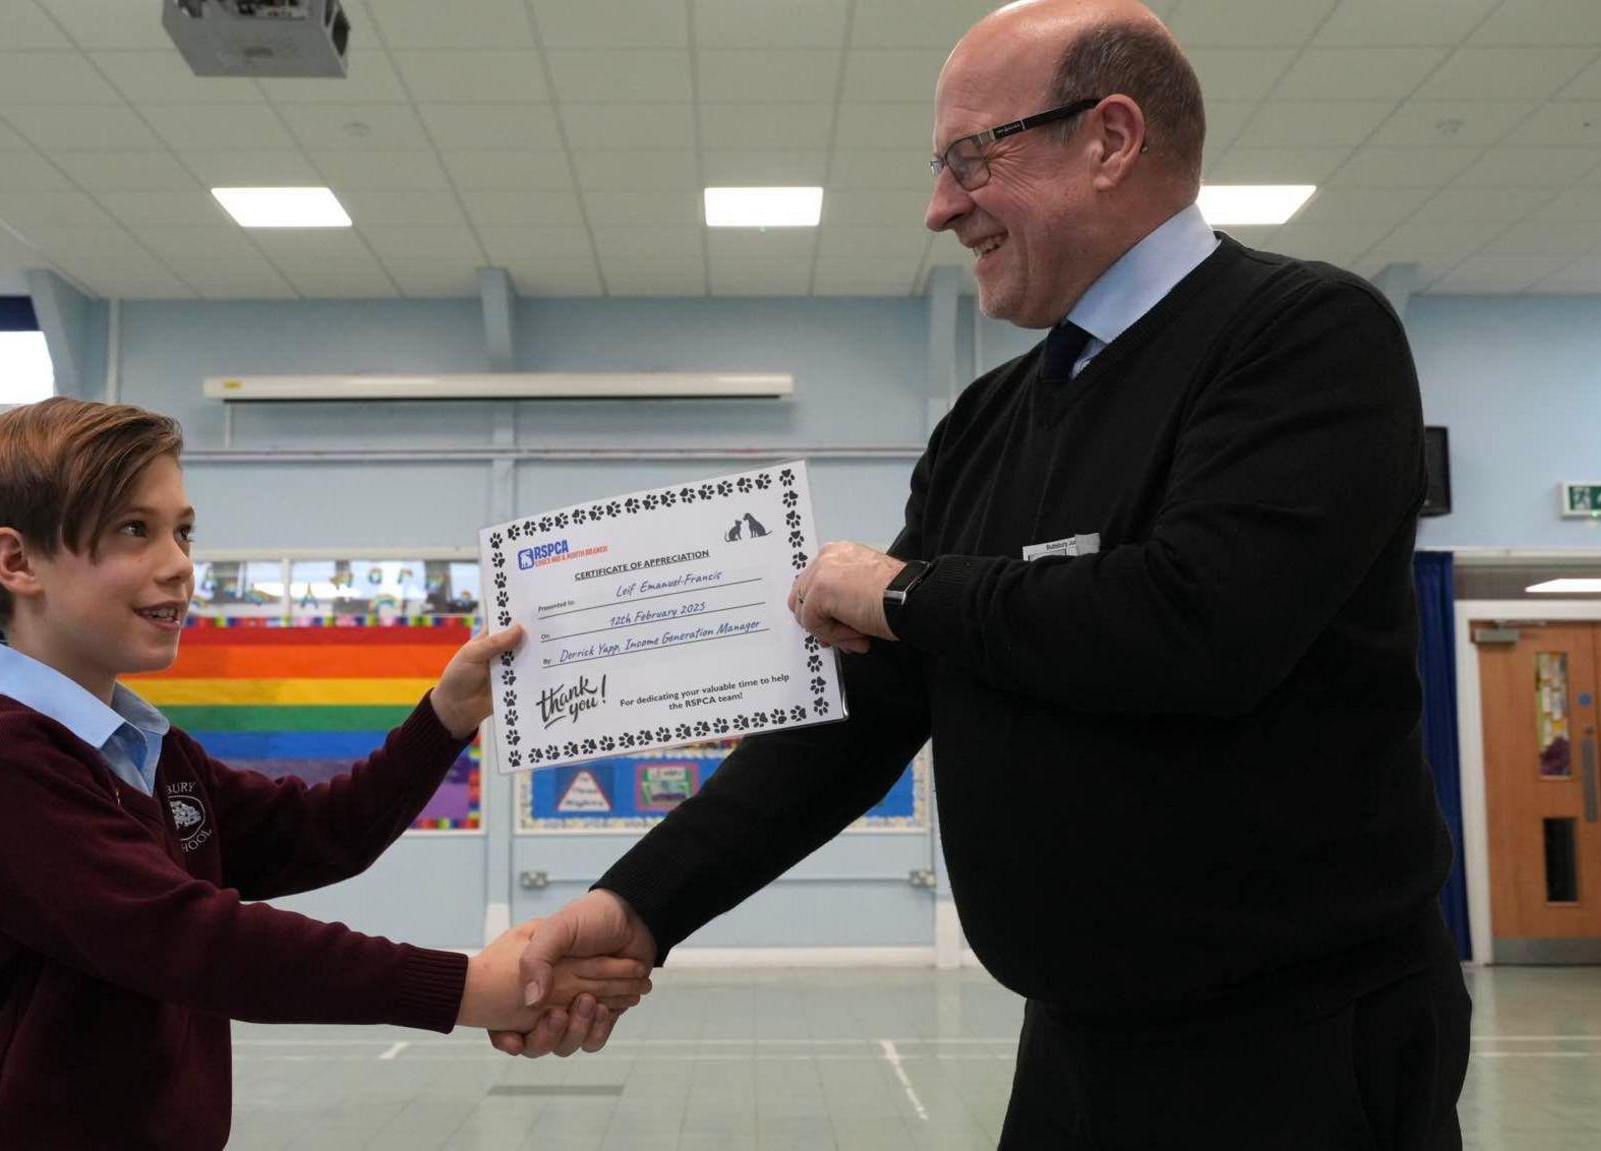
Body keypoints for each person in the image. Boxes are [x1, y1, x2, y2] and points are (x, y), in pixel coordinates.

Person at [494, 1, 1472, 1146]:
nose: (939, 205)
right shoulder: (988, 418)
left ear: (1108, 139)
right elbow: (864, 712)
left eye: (972, 157)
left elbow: (1195, 623)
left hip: (1295, 1044)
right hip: (1074, 1040)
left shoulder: (1302, 334)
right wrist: (638, 905)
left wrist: (900, 590)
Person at [0, 398, 649, 1150]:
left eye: (182, 530)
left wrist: (447, 715)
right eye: (136, 530)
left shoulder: (155, 754)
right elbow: (195, 941)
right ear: (17, 561)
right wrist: (468, 987)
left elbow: (323, 833)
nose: (179, 564)